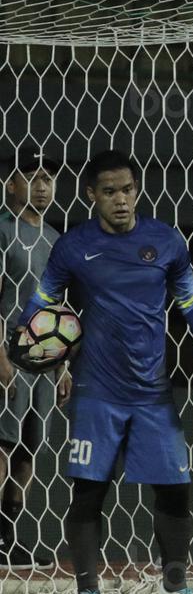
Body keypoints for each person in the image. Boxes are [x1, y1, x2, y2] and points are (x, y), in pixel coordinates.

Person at [6, 149, 193, 594]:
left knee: (174, 489)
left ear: (137, 190)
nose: (121, 200)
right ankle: (88, 592)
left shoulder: (165, 240)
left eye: (127, 190)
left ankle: (174, 586)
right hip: (96, 390)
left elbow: (190, 302)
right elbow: (43, 301)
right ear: (92, 195)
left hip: (152, 390)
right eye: (109, 191)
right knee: (90, 489)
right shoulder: (72, 246)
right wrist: (23, 339)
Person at [0, 146, 70, 570]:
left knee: (30, 446)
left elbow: (59, 307)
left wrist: (64, 364)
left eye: (49, 178)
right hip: (10, 351)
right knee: (3, 443)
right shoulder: (3, 230)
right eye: (34, 176)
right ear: (13, 184)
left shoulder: (55, 239)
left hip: (44, 355)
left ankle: (9, 538)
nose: (43, 186)